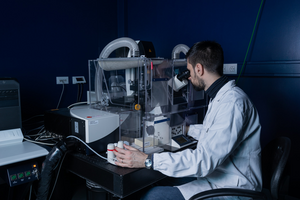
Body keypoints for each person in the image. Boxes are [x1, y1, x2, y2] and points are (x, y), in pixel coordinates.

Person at [113, 41, 262, 200]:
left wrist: (147, 160)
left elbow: (203, 162)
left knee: (151, 197)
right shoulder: (221, 97)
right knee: (162, 179)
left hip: (232, 187)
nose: (188, 76)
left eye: (189, 70)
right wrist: (186, 129)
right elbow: (215, 131)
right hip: (218, 175)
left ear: (199, 69)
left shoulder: (232, 104)